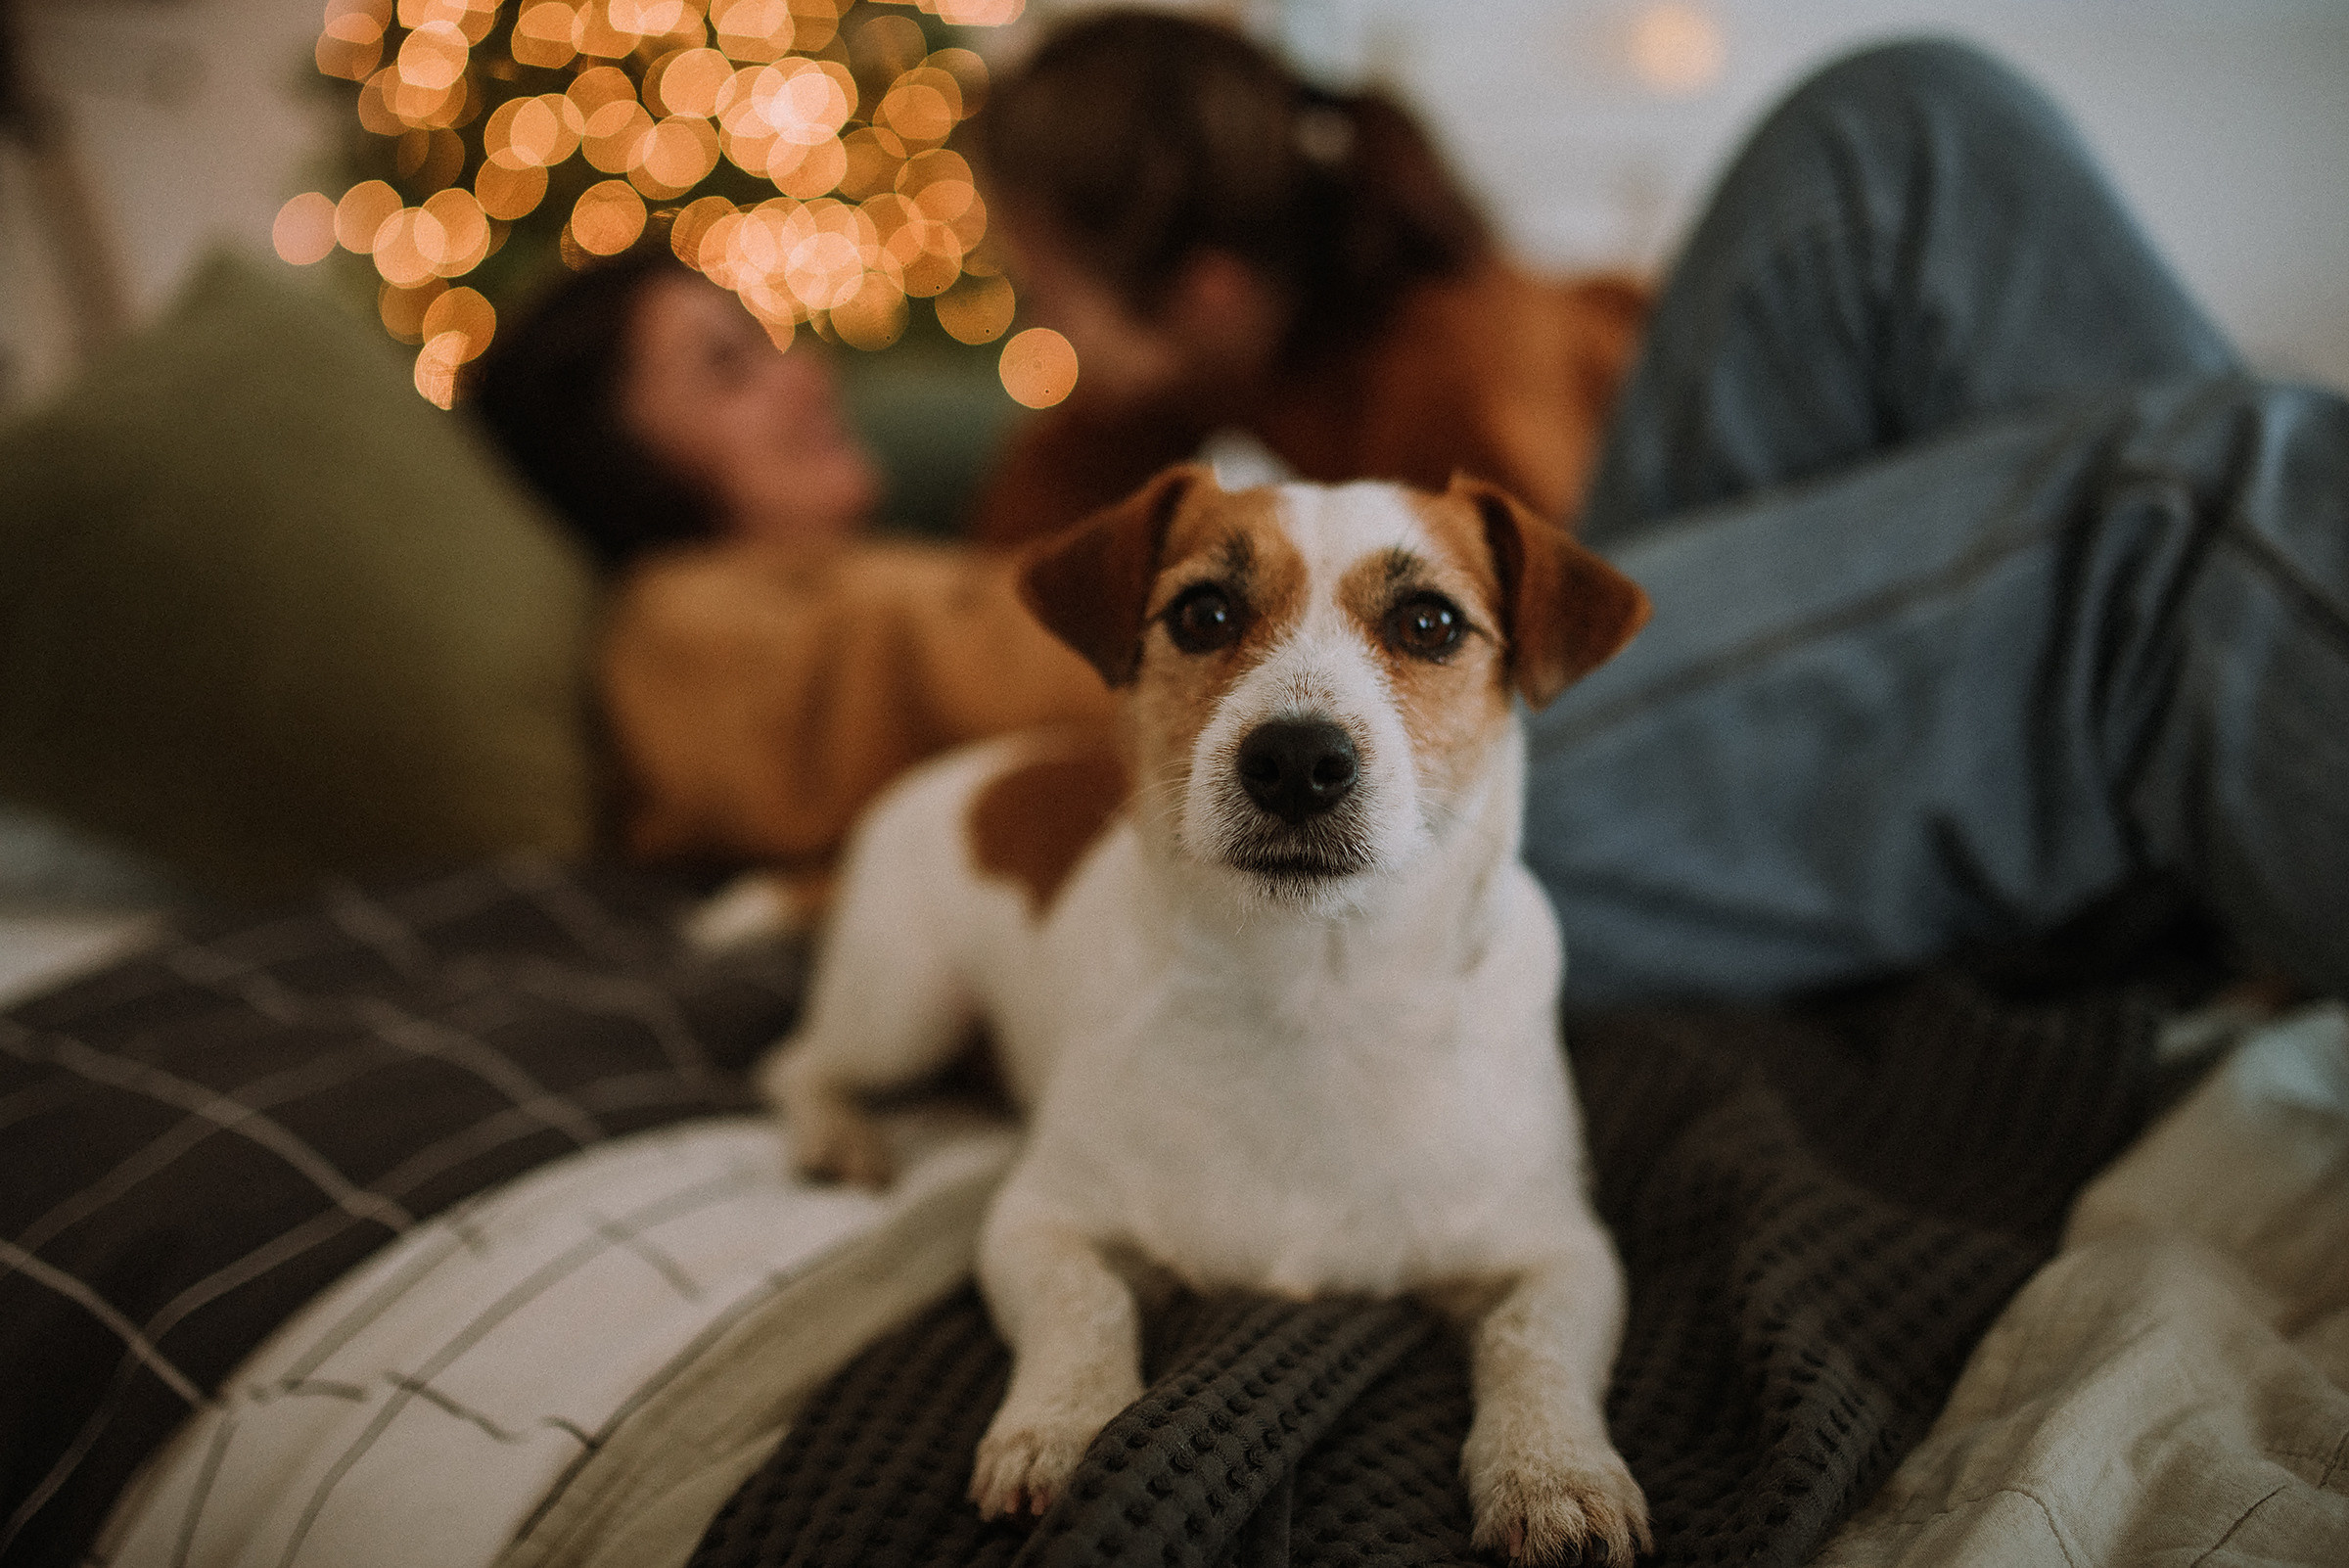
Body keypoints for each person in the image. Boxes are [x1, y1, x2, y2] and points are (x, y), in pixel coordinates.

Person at [481, 22, 2349, 1010]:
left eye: (769, 341)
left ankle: (2210, 775)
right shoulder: (702, 615)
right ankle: (2206, 730)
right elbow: (1051, 683)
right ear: (628, 471)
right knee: (2186, 506)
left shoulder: (1175, 447)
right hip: (1455, 792)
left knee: (1905, 121)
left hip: (1527, 664)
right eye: (726, 372)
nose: (805, 371)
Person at [967, 9, 1647, 545]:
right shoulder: (1204, 360)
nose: (1036, 320)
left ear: (1210, 292)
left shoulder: (1451, 393)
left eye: (1047, 287)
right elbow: (1033, 549)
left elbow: (1562, 651)